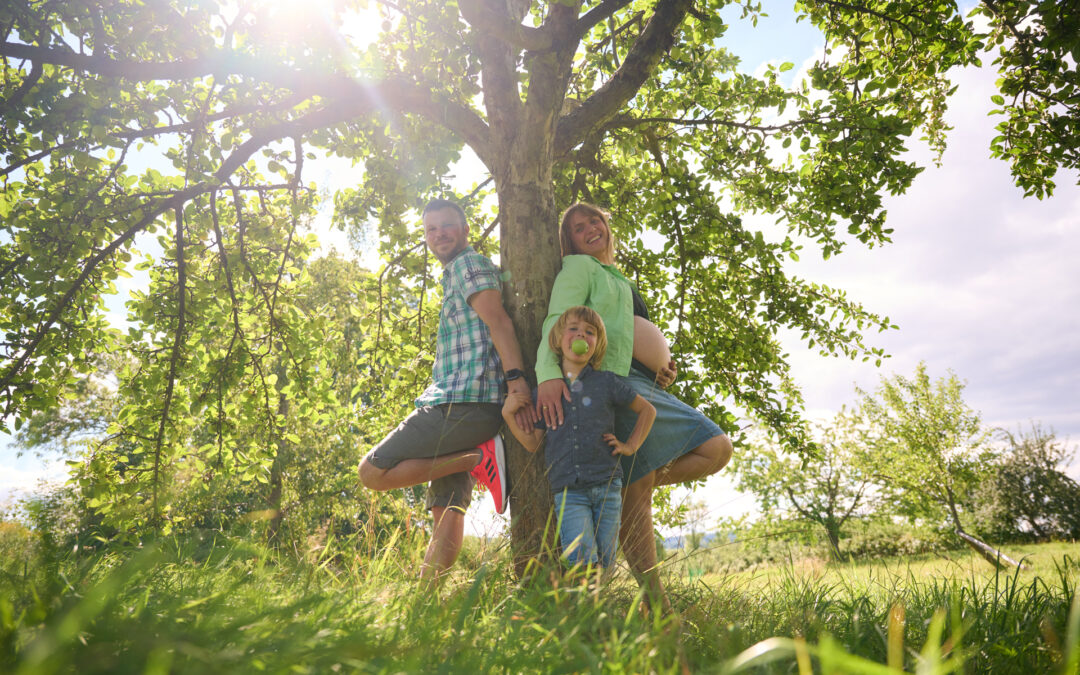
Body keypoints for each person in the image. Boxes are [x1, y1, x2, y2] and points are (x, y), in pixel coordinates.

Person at [532, 202, 734, 609]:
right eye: (577, 228)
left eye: (596, 221)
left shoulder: (617, 277)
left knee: (716, 449)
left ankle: (613, 486)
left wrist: (662, 366)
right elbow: (558, 319)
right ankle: (655, 604)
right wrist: (548, 375)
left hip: (641, 381)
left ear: (608, 225)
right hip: (612, 386)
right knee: (646, 489)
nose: (590, 229)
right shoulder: (579, 268)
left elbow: (630, 334)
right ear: (568, 242)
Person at [358, 198, 530, 583]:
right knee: (447, 510)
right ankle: (427, 601)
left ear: (465, 230)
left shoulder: (467, 264)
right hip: (463, 406)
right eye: (431, 229)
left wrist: (517, 381)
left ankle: (476, 458)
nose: (439, 234)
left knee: (372, 471)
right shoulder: (456, 272)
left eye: (446, 225)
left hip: (463, 403)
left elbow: (499, 322)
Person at [502, 306, 655, 570]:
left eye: (590, 332)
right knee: (581, 561)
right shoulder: (544, 392)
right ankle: (583, 605)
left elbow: (647, 411)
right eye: (573, 329)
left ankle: (596, 608)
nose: (581, 335)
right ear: (559, 340)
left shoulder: (607, 383)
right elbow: (532, 443)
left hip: (608, 486)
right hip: (569, 492)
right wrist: (508, 415)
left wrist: (630, 445)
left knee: (605, 562)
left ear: (597, 344)